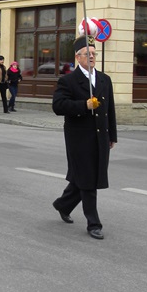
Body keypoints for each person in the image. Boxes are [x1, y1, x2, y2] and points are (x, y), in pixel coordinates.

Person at [52, 36, 117, 240]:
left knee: (87, 176)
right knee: (88, 179)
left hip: (100, 137)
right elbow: (58, 106)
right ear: (77, 57)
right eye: (87, 54)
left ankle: (63, 204)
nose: (91, 57)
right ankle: (93, 223)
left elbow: (110, 110)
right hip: (79, 138)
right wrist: (83, 106)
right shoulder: (68, 81)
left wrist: (112, 135)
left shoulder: (104, 79)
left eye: (93, 54)